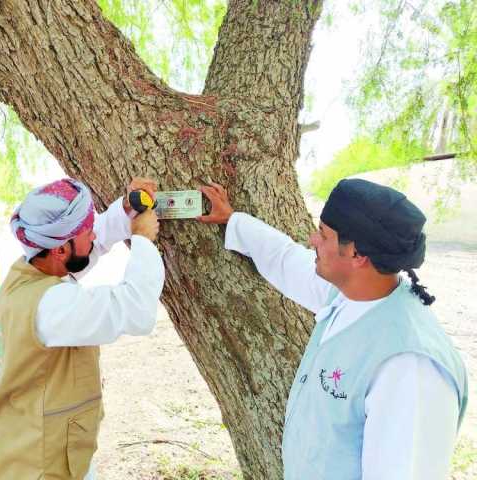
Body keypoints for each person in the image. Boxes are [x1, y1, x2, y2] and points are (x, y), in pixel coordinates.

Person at [198, 179, 468, 480]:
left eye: (324, 235)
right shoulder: (349, 294)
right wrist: (233, 220)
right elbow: (286, 259)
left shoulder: (410, 366)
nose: (313, 239)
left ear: (357, 254)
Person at [0, 177, 165, 480]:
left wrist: (126, 209)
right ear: (60, 250)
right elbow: (135, 310)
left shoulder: (33, 267)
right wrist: (141, 240)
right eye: (86, 229)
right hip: (38, 464)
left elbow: (91, 241)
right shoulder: (51, 305)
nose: (93, 235)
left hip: (41, 449)